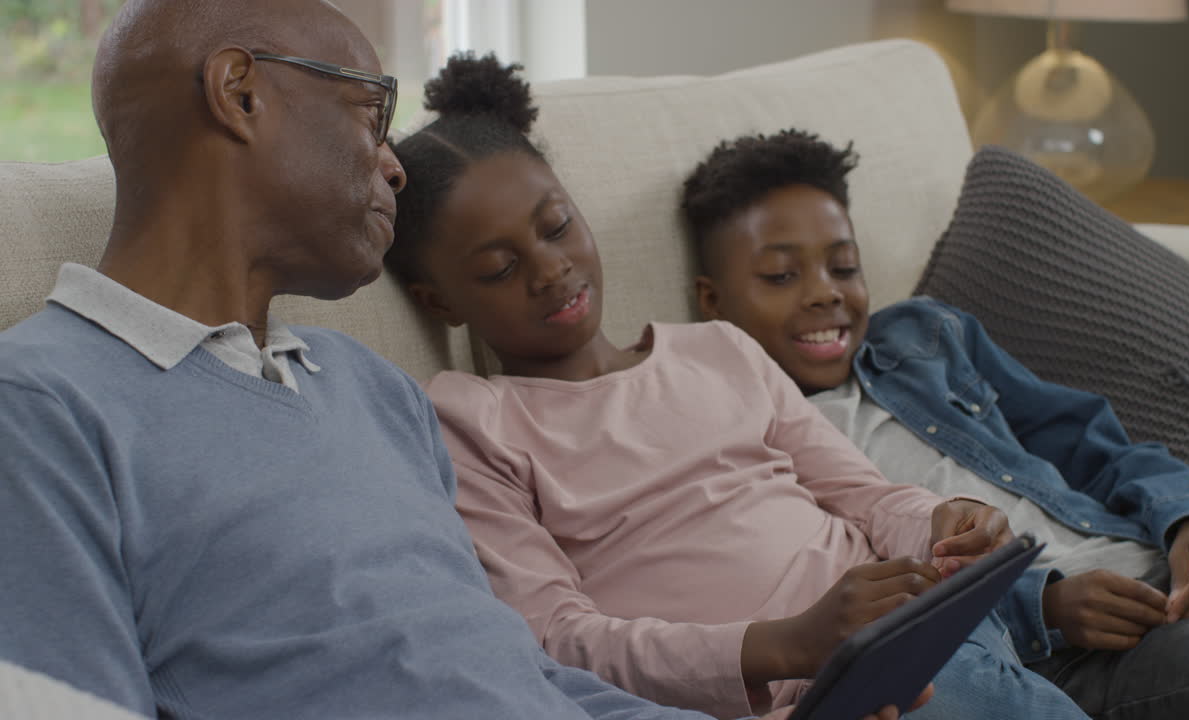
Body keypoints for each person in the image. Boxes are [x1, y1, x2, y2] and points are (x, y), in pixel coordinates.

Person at [0, 2, 737, 719]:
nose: (395, 167)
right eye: (371, 114)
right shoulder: (38, 405)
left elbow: (523, 676)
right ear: (241, 94)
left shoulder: (374, 387)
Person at [390, 53, 1091, 720]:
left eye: (557, 227)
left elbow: (867, 498)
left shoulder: (719, 350)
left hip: (917, 634)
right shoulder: (471, 421)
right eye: (498, 268)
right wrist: (785, 643)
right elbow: (559, 640)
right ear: (440, 301)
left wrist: (945, 521)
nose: (549, 270)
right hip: (811, 690)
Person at [680, 128, 1189, 719]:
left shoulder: (925, 338)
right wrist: (1047, 608)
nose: (824, 294)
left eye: (843, 267)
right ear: (712, 301)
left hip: (1178, 567)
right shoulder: (744, 442)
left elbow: (1099, 443)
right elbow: (866, 602)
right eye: (782, 277)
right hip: (1066, 658)